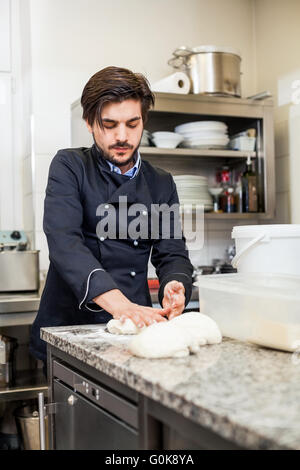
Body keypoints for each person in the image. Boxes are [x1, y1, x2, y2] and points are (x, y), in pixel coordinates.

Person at [29, 66, 194, 373]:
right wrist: (121, 306)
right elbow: (65, 243)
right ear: (90, 123)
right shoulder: (70, 166)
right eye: (110, 124)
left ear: (143, 121)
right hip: (70, 329)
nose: (122, 136)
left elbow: (172, 252)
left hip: (133, 335)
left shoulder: (161, 183)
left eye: (133, 124)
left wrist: (175, 283)